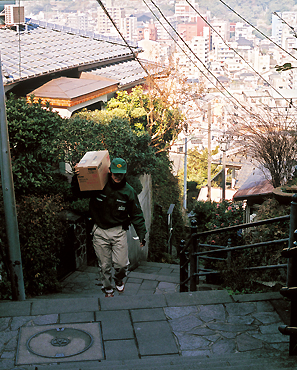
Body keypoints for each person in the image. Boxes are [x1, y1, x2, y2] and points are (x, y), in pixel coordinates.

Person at [72, 157, 147, 297]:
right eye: (115, 173)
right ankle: (108, 289)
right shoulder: (98, 185)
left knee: (122, 265)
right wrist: (77, 176)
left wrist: (142, 234)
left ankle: (119, 280)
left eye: (121, 174)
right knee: (104, 266)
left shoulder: (129, 191)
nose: (117, 176)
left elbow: (137, 214)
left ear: (125, 173)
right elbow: (78, 193)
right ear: (110, 171)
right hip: (99, 230)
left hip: (118, 231)